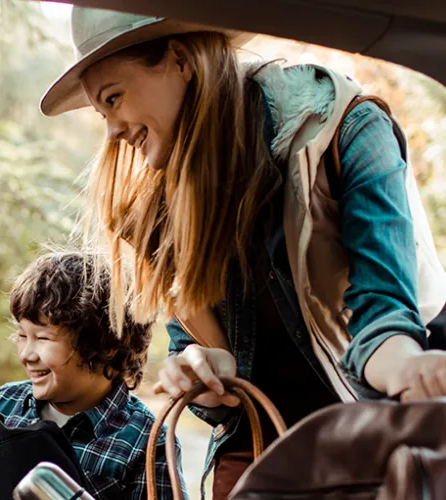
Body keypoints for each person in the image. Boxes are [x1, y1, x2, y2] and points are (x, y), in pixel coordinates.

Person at [38, 6, 446, 498]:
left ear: (179, 60)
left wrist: (412, 369)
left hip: (364, 449)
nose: (114, 133)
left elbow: (384, 315)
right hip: (258, 464)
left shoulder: (346, 129)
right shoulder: (161, 214)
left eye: (114, 99)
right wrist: (196, 371)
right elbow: (196, 354)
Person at [0, 252, 186, 500]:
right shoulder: (3, 405)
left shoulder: (148, 443)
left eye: (43, 338)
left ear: (106, 344)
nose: (26, 354)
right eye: (22, 336)